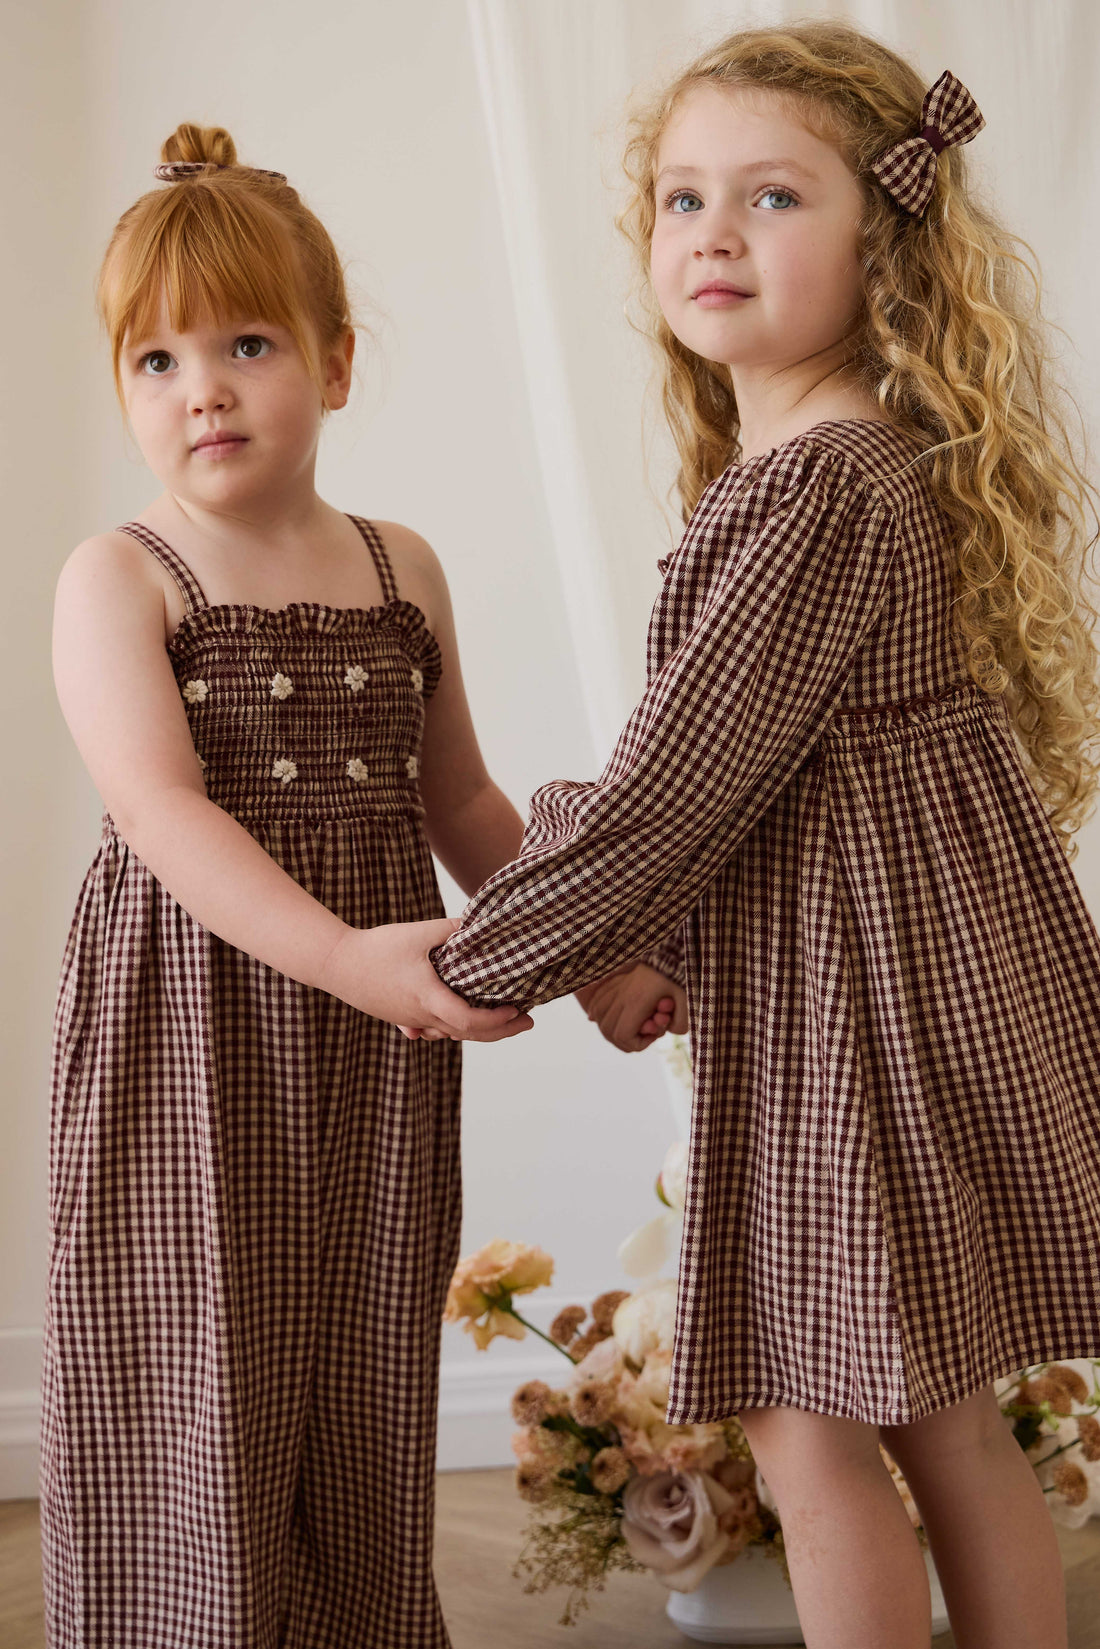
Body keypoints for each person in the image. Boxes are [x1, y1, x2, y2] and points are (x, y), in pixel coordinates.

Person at [417, 23, 1100, 1648]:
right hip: (888, 1000)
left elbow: (673, 788)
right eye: (681, 196)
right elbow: (756, 786)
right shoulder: (853, 458)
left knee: (804, 1418)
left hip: (850, 1030)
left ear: (886, 244)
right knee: (938, 1405)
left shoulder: (809, 492)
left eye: (773, 196)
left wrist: (486, 951)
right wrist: (642, 942)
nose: (712, 232)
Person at [44, 122, 683, 1648]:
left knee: (356, 1355)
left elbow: (458, 798)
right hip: (192, 1038)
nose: (201, 386)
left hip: (369, 1039)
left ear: (334, 363)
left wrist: (589, 951)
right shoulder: (122, 577)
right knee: (199, 1361)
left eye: (246, 342)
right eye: (156, 358)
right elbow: (161, 810)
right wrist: (342, 953)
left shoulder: (402, 567)